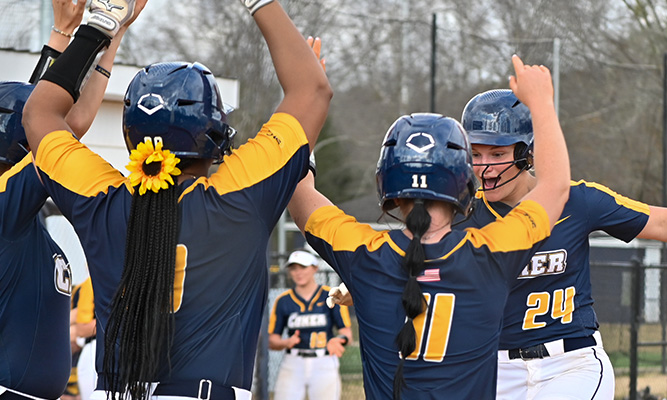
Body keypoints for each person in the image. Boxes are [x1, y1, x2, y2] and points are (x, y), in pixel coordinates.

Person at [22, 0, 332, 398]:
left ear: (130, 133)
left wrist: (99, 27)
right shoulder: (239, 194)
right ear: (215, 134)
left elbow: (39, 115)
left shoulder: (101, 198)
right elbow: (312, 89)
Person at [435, 87, 667, 400]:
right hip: (494, 370)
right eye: (477, 153)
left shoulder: (575, 201)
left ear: (527, 151)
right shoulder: (460, 214)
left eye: (497, 153)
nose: (484, 166)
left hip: (571, 365)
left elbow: (662, 221)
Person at [287, 55, 570, 399]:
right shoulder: (492, 251)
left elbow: (298, 190)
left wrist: (306, 96)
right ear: (465, 184)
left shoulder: (361, 252)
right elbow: (555, 185)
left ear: (386, 184)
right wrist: (541, 104)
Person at [0, 0, 126, 397]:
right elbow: (57, 124)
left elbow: (33, 114)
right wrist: (102, 30)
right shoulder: (6, 208)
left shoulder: (17, 208)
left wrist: (66, 37)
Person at [268, 250, 352, 400]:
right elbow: (272, 340)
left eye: (303, 267)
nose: (298, 273)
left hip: (324, 361)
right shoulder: (283, 300)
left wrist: (339, 340)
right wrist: (286, 342)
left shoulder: (331, 295)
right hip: (293, 362)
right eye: (294, 268)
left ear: (315, 268)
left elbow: (347, 334)